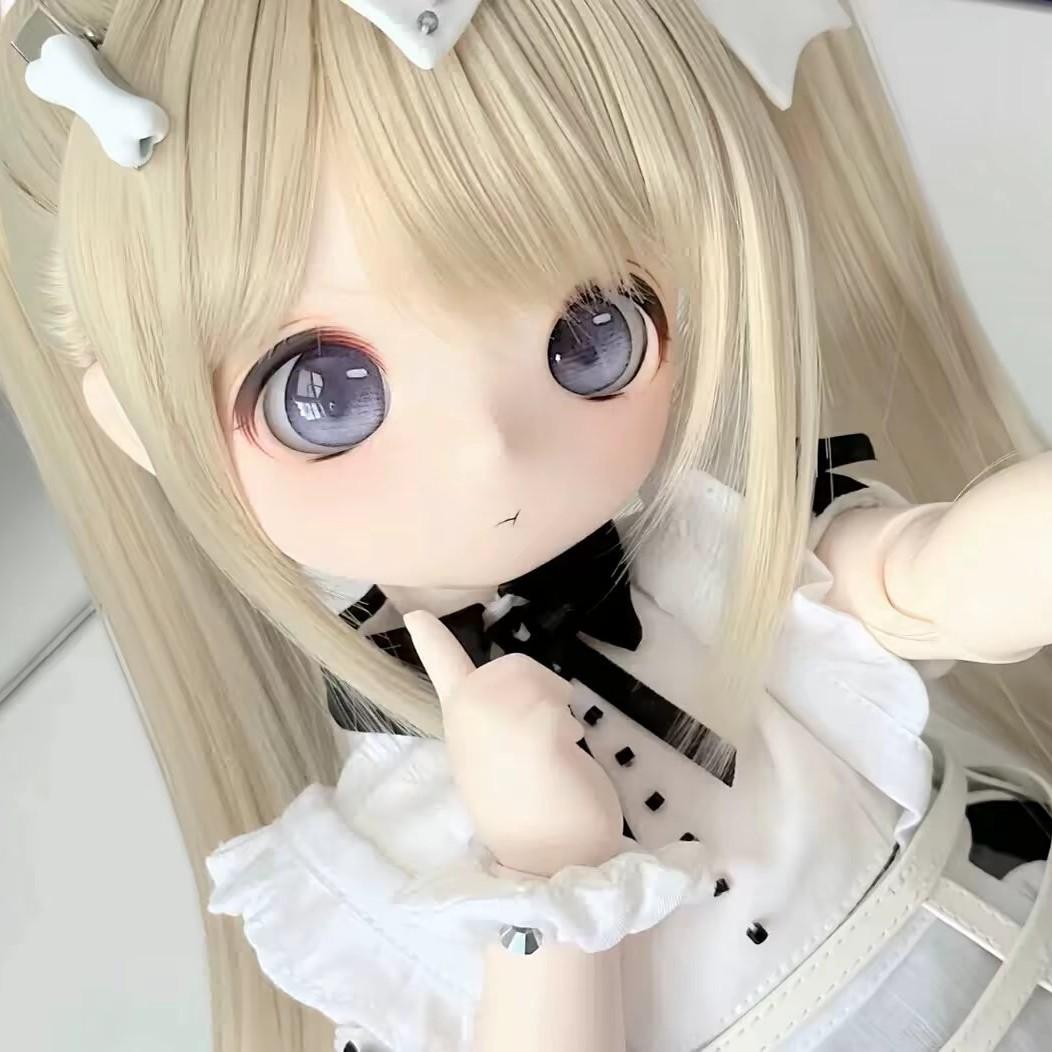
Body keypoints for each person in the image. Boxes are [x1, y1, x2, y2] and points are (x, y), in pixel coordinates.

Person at [2, 1, 1050, 1049]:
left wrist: (983, 553)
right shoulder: (384, 846)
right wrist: (547, 862)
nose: (491, 449)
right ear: (143, 421)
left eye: (591, 332)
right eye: (327, 394)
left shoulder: (703, 554)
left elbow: (912, 585)